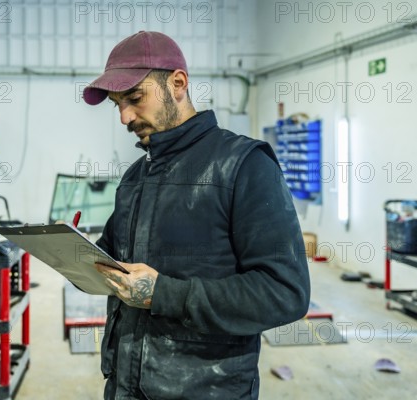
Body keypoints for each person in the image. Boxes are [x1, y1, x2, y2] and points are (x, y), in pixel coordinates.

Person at [83, 31, 310, 400]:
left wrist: (164, 294)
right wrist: (69, 254)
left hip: (207, 390)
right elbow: (108, 257)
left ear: (177, 83)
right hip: (125, 386)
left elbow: (285, 293)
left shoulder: (244, 166)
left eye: (134, 98)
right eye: (117, 104)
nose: (125, 116)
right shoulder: (136, 176)